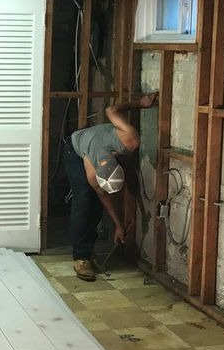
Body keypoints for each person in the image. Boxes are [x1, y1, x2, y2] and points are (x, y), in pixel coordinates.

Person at [64, 91, 159, 281]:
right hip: (75, 148)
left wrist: (139, 103)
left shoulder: (130, 139)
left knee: (95, 206)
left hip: (97, 142)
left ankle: (89, 249)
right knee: (84, 201)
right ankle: (81, 257)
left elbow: (111, 110)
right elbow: (103, 196)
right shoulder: (92, 171)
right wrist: (118, 225)